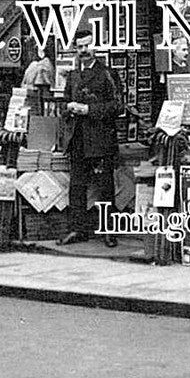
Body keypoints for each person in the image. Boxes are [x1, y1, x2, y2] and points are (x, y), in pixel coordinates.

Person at [58, 28, 123, 247]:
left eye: (87, 45)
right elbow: (64, 102)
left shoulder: (107, 73)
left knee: (105, 186)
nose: (84, 50)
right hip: (77, 138)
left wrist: (88, 109)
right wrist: (68, 107)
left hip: (101, 138)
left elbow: (118, 107)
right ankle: (78, 229)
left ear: (96, 46)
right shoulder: (74, 75)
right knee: (77, 186)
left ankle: (108, 231)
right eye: (80, 47)